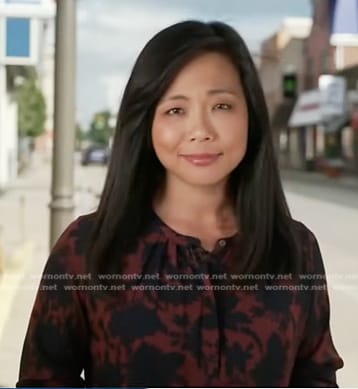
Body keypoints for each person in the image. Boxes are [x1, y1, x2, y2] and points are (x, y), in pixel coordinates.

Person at [16, 20, 343, 387]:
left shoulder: (296, 249)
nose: (200, 129)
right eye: (175, 110)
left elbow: (317, 377)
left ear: (250, 115)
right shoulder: (87, 248)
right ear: (147, 122)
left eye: (221, 105)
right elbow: (43, 380)